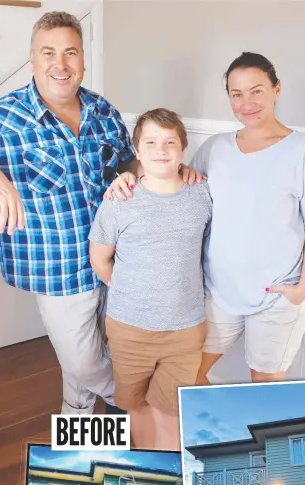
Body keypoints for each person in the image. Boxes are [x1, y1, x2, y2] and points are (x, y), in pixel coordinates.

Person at [0, 11, 200, 415]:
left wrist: (163, 170)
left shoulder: (101, 111)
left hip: (120, 259)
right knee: (84, 363)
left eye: (71, 52)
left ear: (83, 60)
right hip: (59, 271)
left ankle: (81, 448)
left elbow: (130, 163)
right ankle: (144, 407)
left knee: (101, 358)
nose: (61, 64)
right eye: (49, 53)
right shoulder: (6, 117)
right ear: (32, 59)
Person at [107, 52, 305, 385]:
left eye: (256, 91)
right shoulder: (215, 149)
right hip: (217, 291)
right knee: (183, 376)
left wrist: (302, 289)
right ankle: (218, 434)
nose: (247, 103)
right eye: (236, 94)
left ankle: (251, 437)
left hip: (278, 295)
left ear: (277, 89)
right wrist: (128, 177)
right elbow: (171, 178)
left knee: (265, 384)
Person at [89, 109, 212, 450]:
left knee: (172, 410)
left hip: (184, 329)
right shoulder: (119, 200)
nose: (161, 150)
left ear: (182, 150)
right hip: (130, 328)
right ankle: (144, 474)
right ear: (137, 152)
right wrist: (129, 288)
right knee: (134, 407)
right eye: (151, 142)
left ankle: (170, 476)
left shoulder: (202, 195)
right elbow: (100, 259)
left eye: (170, 142)